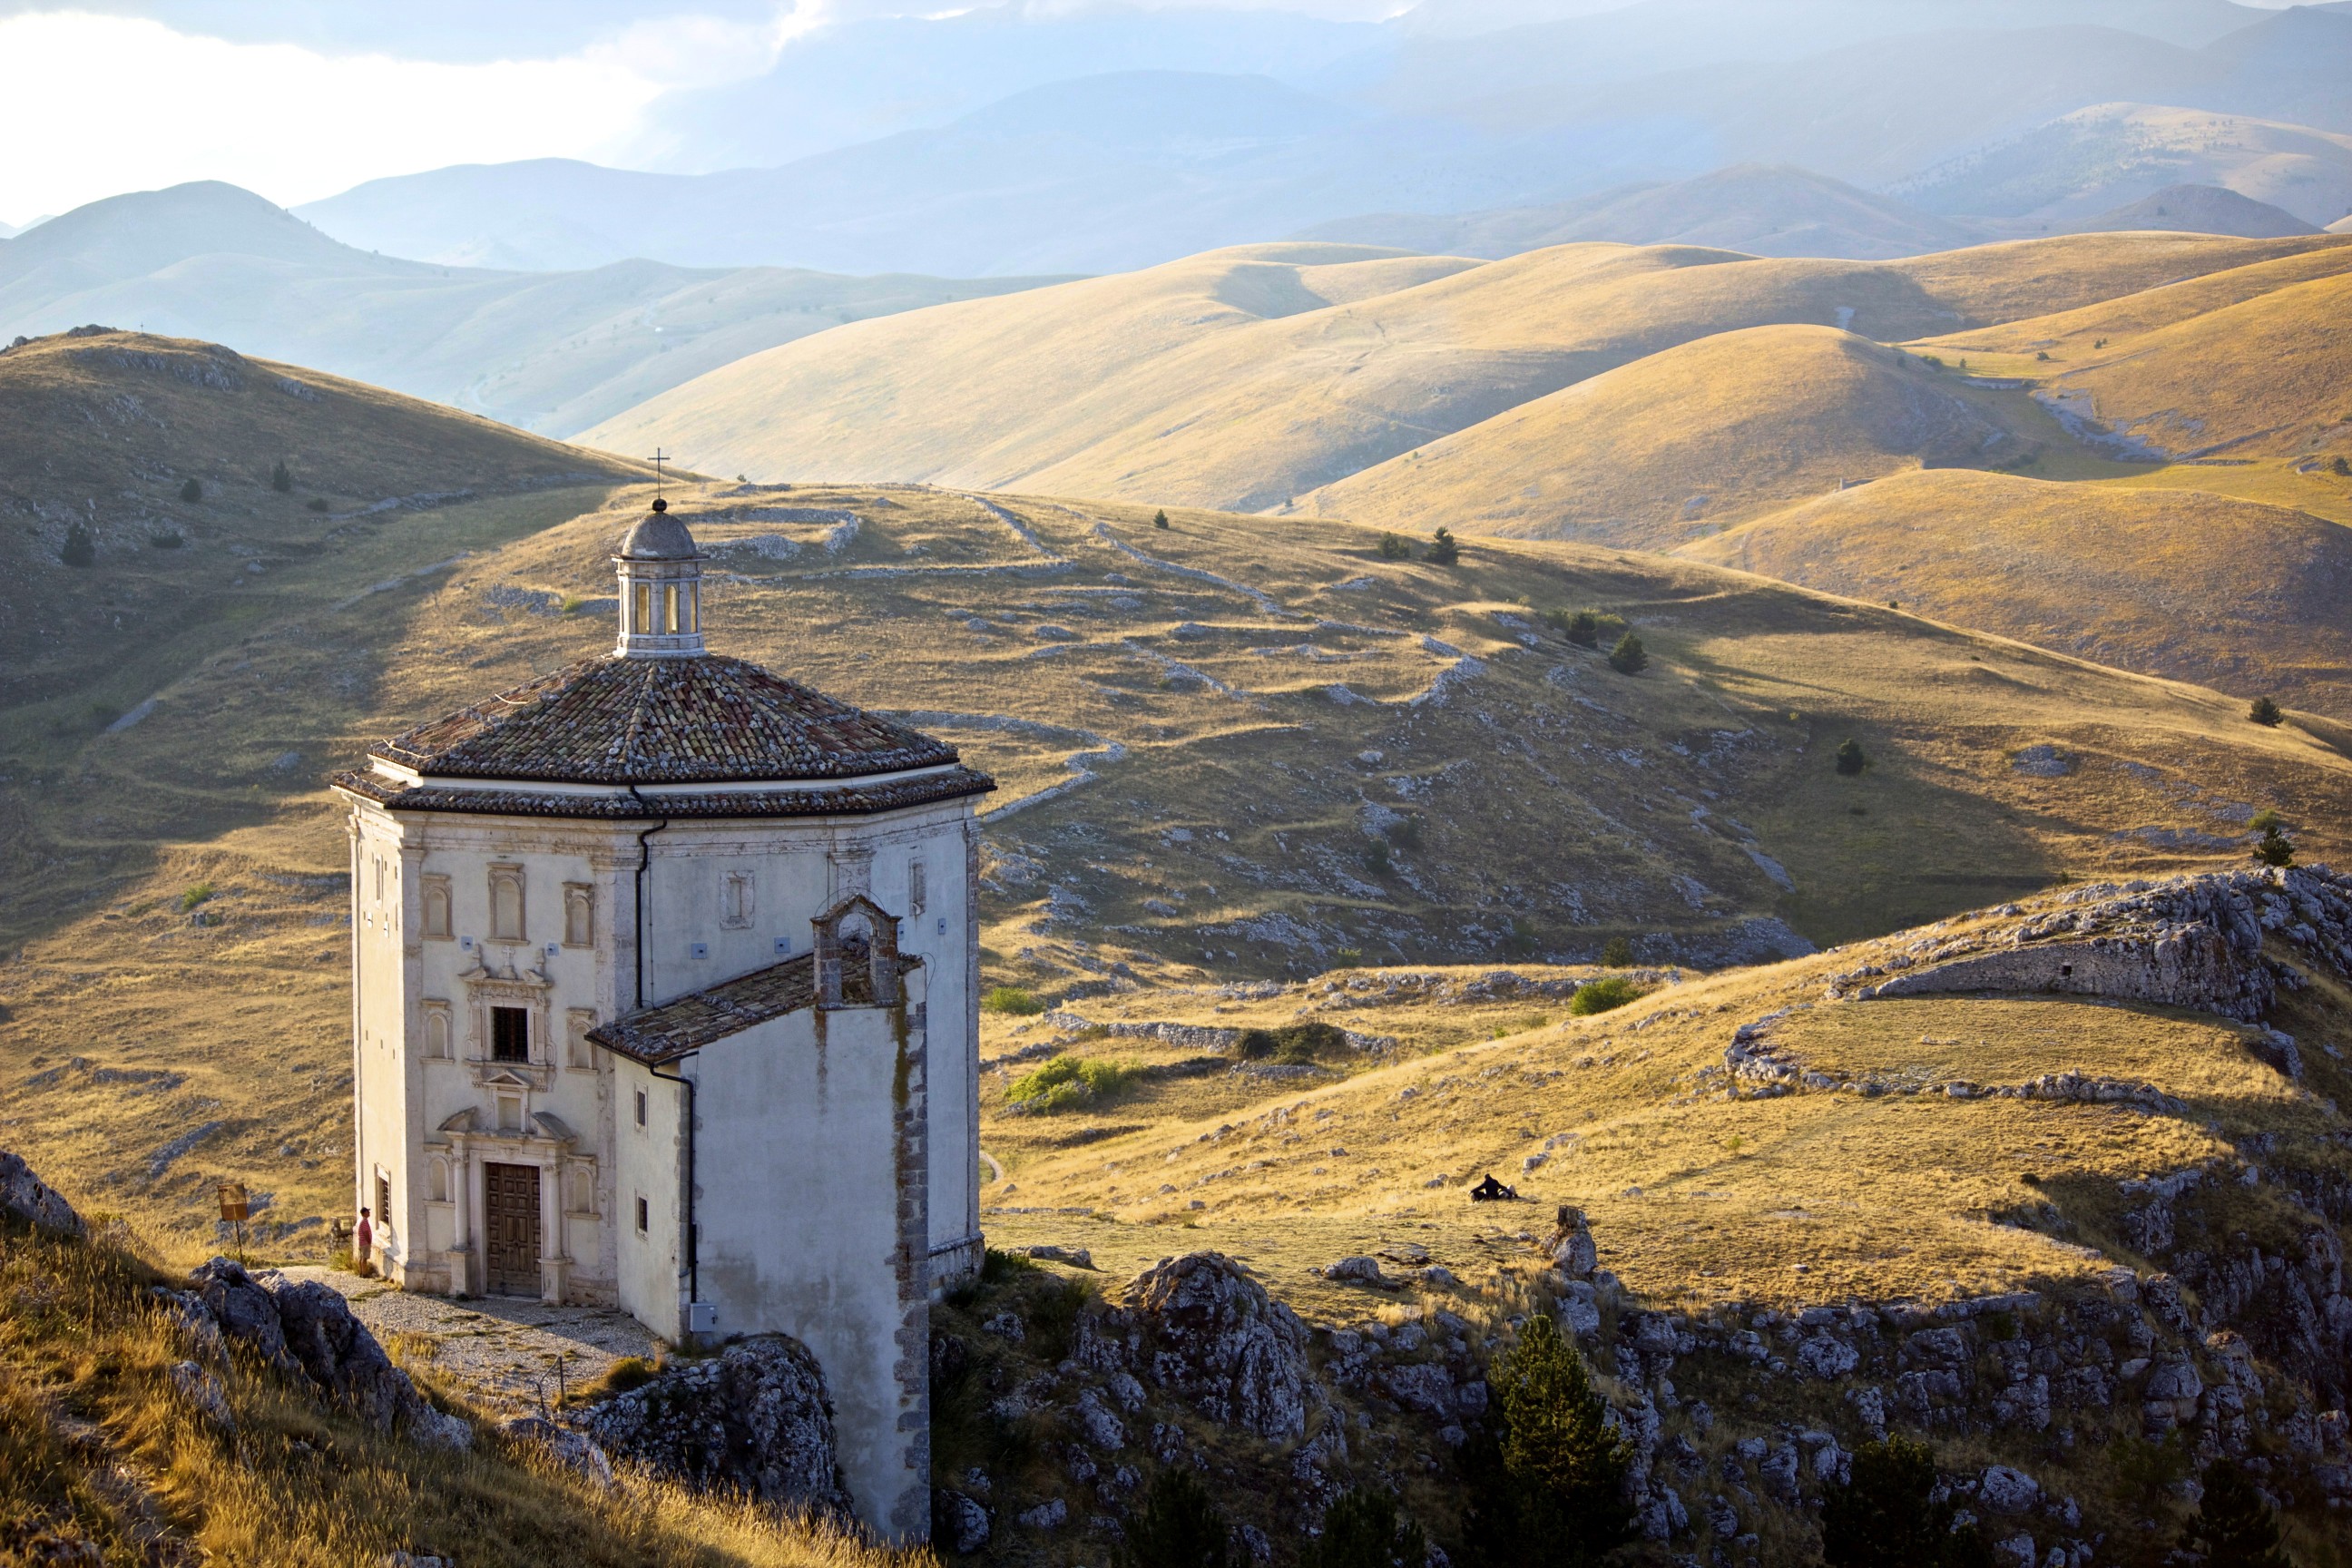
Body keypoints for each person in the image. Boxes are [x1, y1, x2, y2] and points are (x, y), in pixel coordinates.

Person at [354, 1206, 374, 1275]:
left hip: (361, 1242)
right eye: (368, 1212)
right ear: (365, 1213)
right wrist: (369, 1241)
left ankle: (361, 1272)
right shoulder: (364, 1221)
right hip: (365, 1242)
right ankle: (364, 1273)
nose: (369, 1213)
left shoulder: (361, 1220)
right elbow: (365, 1232)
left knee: (361, 1257)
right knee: (364, 1259)